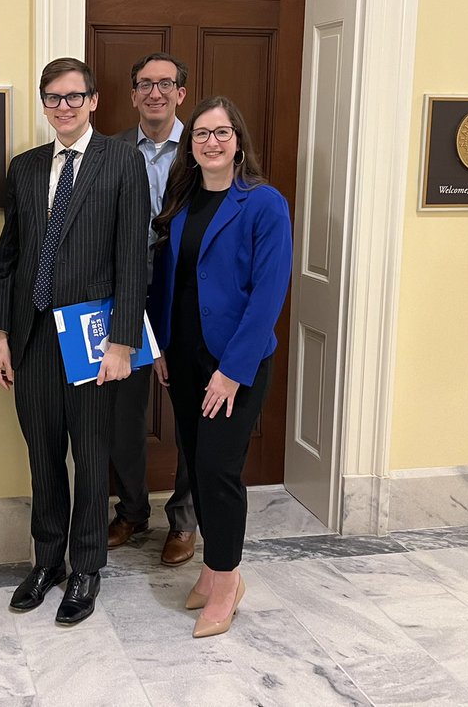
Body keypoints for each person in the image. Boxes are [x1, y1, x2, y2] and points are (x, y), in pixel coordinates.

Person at [0, 56, 148, 625]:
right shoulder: (26, 168)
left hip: (92, 341)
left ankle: (86, 566)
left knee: (91, 454)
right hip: (32, 337)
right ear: (44, 103)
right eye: (53, 98)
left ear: (93, 101)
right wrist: (2, 334)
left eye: (73, 96)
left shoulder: (122, 161)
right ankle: (47, 560)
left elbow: (133, 257)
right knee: (43, 453)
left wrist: (123, 342)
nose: (63, 107)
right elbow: (8, 258)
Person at [148, 96, 292, 639]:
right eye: (202, 134)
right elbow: (170, 284)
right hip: (184, 357)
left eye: (221, 132)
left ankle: (228, 580)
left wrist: (232, 371)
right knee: (195, 459)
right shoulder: (183, 201)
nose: (211, 142)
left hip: (234, 363)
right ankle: (211, 569)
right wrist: (160, 347)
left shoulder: (263, 203)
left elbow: (268, 295)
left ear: (238, 141)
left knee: (218, 469)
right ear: (190, 145)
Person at [107, 51, 197, 567]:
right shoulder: (110, 150)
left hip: (186, 296)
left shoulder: (204, 146)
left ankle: (183, 519)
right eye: (145, 84)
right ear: (133, 94)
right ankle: (133, 510)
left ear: (180, 93)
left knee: (191, 414)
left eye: (165, 84)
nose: (155, 93)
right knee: (123, 415)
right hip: (127, 295)